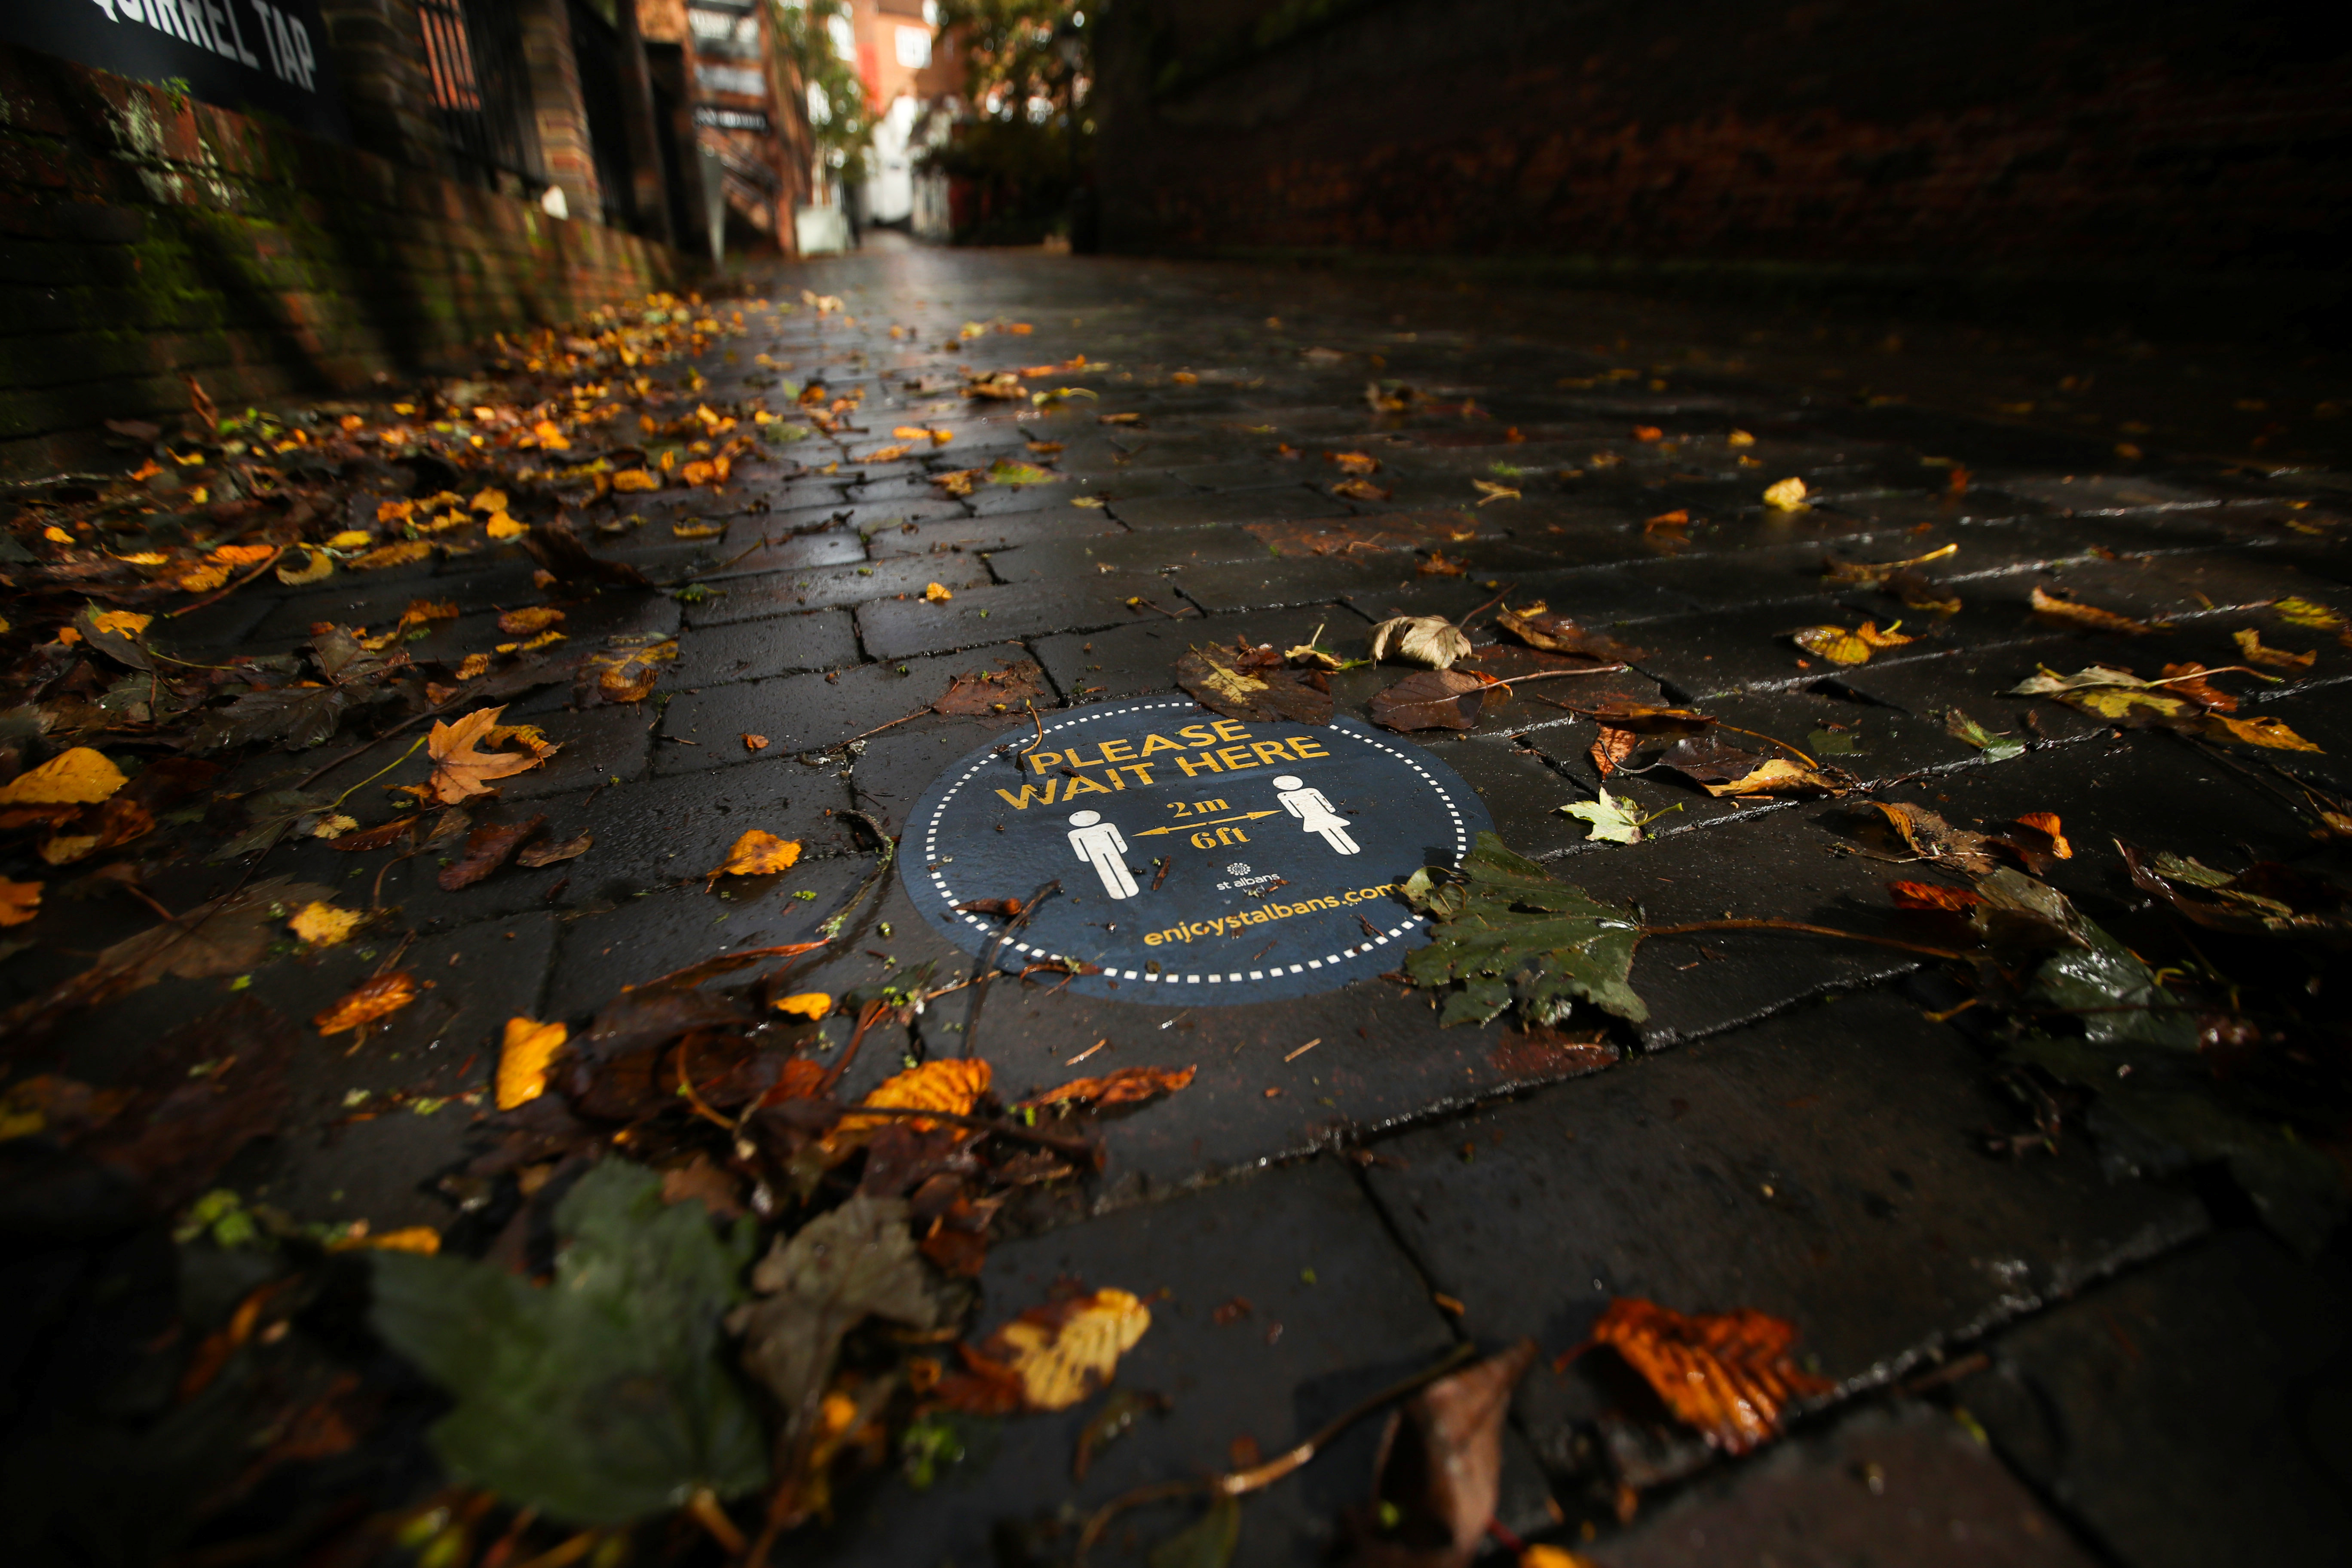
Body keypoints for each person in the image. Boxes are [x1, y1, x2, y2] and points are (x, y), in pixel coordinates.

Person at [1271, 775, 1358, 855]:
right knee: (1333, 828)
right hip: (1321, 813)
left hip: (1310, 816)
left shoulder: (1284, 795)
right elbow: (1324, 802)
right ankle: (1349, 848)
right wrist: (1329, 810)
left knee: (1325, 830)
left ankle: (1346, 849)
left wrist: (1301, 815)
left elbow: (1294, 811)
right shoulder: (1311, 791)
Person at [1066, 809, 1137, 899]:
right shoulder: (1106, 826)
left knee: (1111, 870)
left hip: (1103, 853)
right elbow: (1118, 841)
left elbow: (1080, 848)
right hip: (1105, 852)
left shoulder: (1075, 833)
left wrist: (1085, 857)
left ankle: (1123, 891)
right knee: (1113, 870)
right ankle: (1127, 890)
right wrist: (1121, 848)